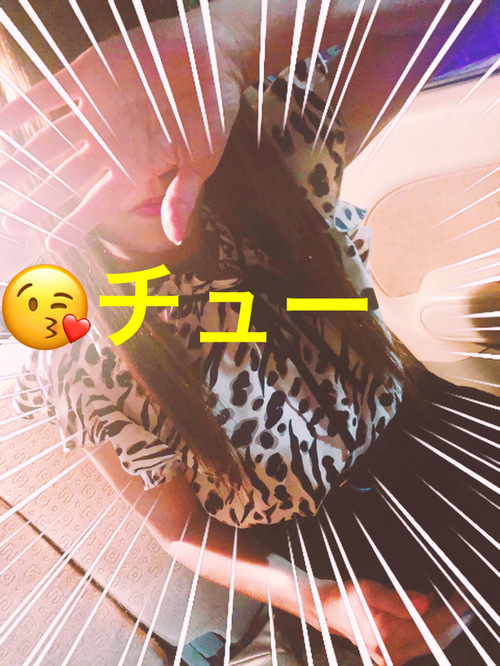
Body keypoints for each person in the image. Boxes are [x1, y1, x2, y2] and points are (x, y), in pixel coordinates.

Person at [1, 1, 498, 664]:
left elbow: (452, 17)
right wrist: (320, 602)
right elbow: (178, 525)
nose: (146, 163)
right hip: (321, 560)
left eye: (155, 107)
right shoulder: (71, 339)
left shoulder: (275, 146)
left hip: (441, 433)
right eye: (80, 135)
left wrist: (232, 40)